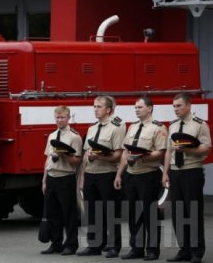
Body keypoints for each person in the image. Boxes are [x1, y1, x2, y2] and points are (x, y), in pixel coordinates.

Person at [114, 96, 167, 261]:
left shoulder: (158, 128)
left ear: (150, 108)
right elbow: (125, 152)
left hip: (148, 175)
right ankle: (136, 249)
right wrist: (119, 174)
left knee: (150, 214)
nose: (136, 109)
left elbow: (161, 152)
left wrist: (142, 158)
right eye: (135, 107)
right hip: (131, 176)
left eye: (140, 107)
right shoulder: (132, 127)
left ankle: (152, 250)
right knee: (134, 214)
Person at [162, 93, 211, 263]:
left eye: (179, 105)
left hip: (192, 171)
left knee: (193, 211)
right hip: (175, 172)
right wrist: (165, 172)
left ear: (189, 106)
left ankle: (197, 252)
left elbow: (206, 148)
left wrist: (188, 151)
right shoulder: (173, 126)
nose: (175, 109)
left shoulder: (200, 125)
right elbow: (169, 150)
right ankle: (184, 249)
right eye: (174, 106)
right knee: (178, 212)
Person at [77, 95, 125, 258]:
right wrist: (82, 176)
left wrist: (100, 157)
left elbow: (118, 154)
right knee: (93, 212)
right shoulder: (92, 128)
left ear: (108, 110)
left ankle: (113, 246)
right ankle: (95, 245)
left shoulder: (116, 127)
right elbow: (86, 154)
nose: (95, 109)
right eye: (94, 106)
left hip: (107, 174)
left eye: (98, 106)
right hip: (91, 174)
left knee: (111, 212)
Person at [40, 106, 83, 255]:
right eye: (57, 118)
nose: (59, 120)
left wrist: (64, 155)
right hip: (52, 176)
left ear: (68, 118)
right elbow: (47, 158)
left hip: (65, 177)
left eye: (62, 117)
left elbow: (77, 160)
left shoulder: (74, 137)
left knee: (68, 213)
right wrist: (44, 180)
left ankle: (71, 244)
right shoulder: (52, 135)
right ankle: (56, 242)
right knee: (53, 213)